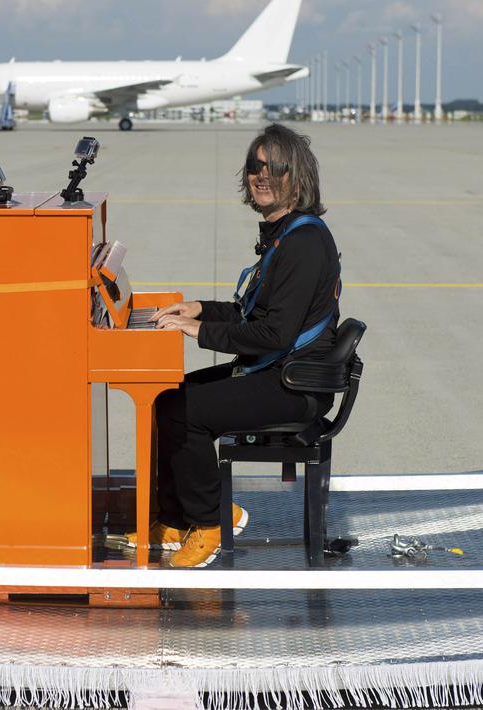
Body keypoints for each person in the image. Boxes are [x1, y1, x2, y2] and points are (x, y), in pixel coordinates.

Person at [128, 123, 342, 568]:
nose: (261, 175)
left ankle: (210, 521)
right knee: (164, 398)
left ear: (296, 177)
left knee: (184, 412)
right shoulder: (285, 234)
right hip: (276, 370)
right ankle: (173, 519)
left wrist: (198, 332)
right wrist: (198, 309)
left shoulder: (304, 243)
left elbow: (273, 336)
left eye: (274, 167)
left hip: (293, 385)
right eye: (254, 166)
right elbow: (253, 314)